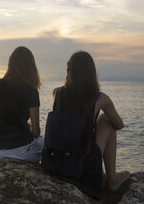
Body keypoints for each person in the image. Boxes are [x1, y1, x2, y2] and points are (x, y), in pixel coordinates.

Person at [49, 51, 130, 196]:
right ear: (92, 73)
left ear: (69, 71)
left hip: (56, 164)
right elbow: (119, 125)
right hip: (80, 168)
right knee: (107, 120)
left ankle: (105, 175)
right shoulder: (100, 99)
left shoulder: (57, 93)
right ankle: (112, 180)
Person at [0, 46, 43, 162]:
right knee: (44, 143)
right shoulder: (31, 90)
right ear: (31, 67)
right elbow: (36, 132)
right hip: (21, 151)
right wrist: (28, 127)